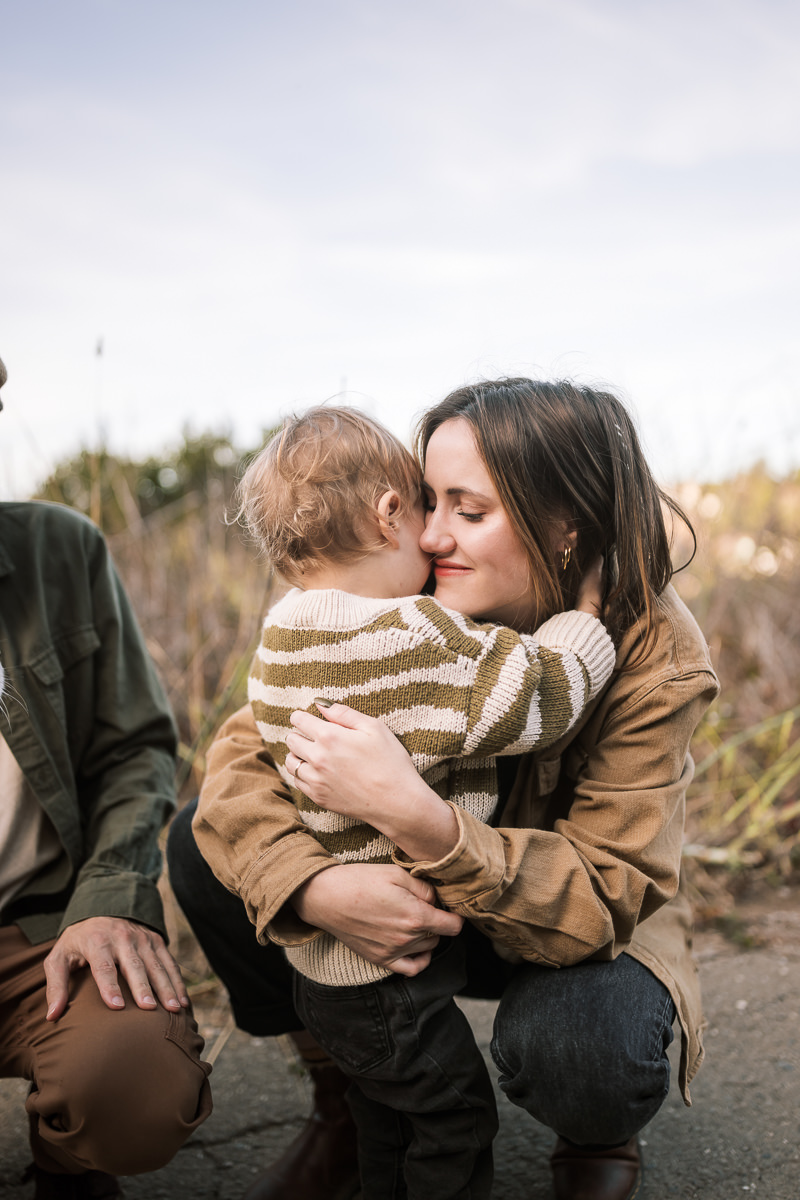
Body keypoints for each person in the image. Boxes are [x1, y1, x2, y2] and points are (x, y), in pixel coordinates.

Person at [168, 377, 719, 1200]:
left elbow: (604, 892)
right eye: (429, 500)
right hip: (403, 913)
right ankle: (351, 1093)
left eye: (470, 510)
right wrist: (312, 888)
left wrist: (415, 815)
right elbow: (244, 757)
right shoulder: (402, 582)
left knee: (583, 1045)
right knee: (202, 844)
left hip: (570, 915)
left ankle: (595, 1134)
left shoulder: (656, 651)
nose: (430, 533)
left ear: (565, 526)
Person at [235, 405, 615, 1197]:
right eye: (426, 506)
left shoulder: (279, 640)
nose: (436, 536)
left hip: (325, 963)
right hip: (397, 962)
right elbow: (539, 696)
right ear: (388, 514)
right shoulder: (416, 635)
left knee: (390, 1117)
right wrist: (584, 622)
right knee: (451, 1118)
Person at [0, 356, 211, 1200]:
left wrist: (110, 899)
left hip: (42, 925)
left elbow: (136, 750)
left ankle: (72, 1169)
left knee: (133, 1086)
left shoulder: (59, 549)